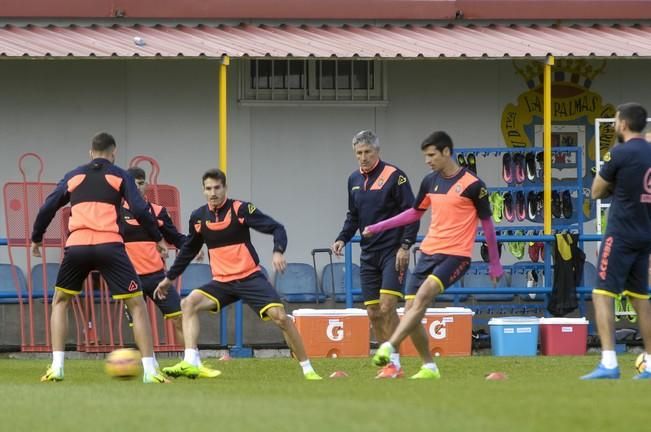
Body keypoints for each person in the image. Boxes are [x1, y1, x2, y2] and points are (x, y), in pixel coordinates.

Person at [154, 169, 322, 380]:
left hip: (250, 277)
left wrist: (278, 251)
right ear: (203, 190)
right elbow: (188, 250)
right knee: (188, 303)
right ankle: (190, 361)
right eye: (208, 188)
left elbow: (277, 228)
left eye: (217, 187)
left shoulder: (241, 209)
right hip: (222, 282)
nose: (213, 193)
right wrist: (169, 279)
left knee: (281, 319)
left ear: (225, 188)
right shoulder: (198, 217)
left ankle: (308, 369)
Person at [31, 132, 170, 383]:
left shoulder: (74, 176)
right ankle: (150, 371)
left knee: (60, 301)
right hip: (110, 245)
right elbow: (139, 209)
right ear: (113, 153)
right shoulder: (119, 175)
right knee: (137, 304)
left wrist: (36, 237)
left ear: (90, 152)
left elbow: (48, 206)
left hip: (78, 246)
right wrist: (158, 238)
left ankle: (57, 366)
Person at [364, 131, 503, 379]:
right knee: (411, 311)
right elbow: (414, 214)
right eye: (425, 156)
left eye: (431, 155)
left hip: (456, 256)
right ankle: (429, 366)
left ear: (446, 152)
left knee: (424, 295)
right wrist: (378, 226)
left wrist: (494, 263)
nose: (427, 160)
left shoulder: (474, 185)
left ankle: (390, 346)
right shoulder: (430, 182)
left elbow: (488, 225)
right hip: (428, 252)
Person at [331, 130, 418, 379]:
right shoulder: (353, 180)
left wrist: (406, 246)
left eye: (368, 152)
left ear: (377, 151)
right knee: (373, 312)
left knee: (388, 305)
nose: (363, 157)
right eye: (359, 153)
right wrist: (342, 238)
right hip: (368, 254)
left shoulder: (395, 176)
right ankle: (386, 363)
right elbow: (353, 216)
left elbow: (412, 214)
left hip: (392, 251)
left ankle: (396, 365)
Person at [121, 167, 217, 378]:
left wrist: (192, 248)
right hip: (129, 277)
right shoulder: (116, 212)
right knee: (139, 322)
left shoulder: (157, 212)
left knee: (179, 318)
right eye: (134, 182)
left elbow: (175, 237)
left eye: (142, 182)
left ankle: (193, 362)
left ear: (147, 185)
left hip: (157, 276)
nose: (138, 186)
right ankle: (151, 364)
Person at [581, 103, 651, 380]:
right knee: (641, 299)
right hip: (646, 233)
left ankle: (609, 362)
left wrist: (614, 183)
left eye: (615, 121)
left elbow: (596, 190)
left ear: (623, 124)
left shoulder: (619, 153)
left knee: (602, 294)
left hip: (620, 233)